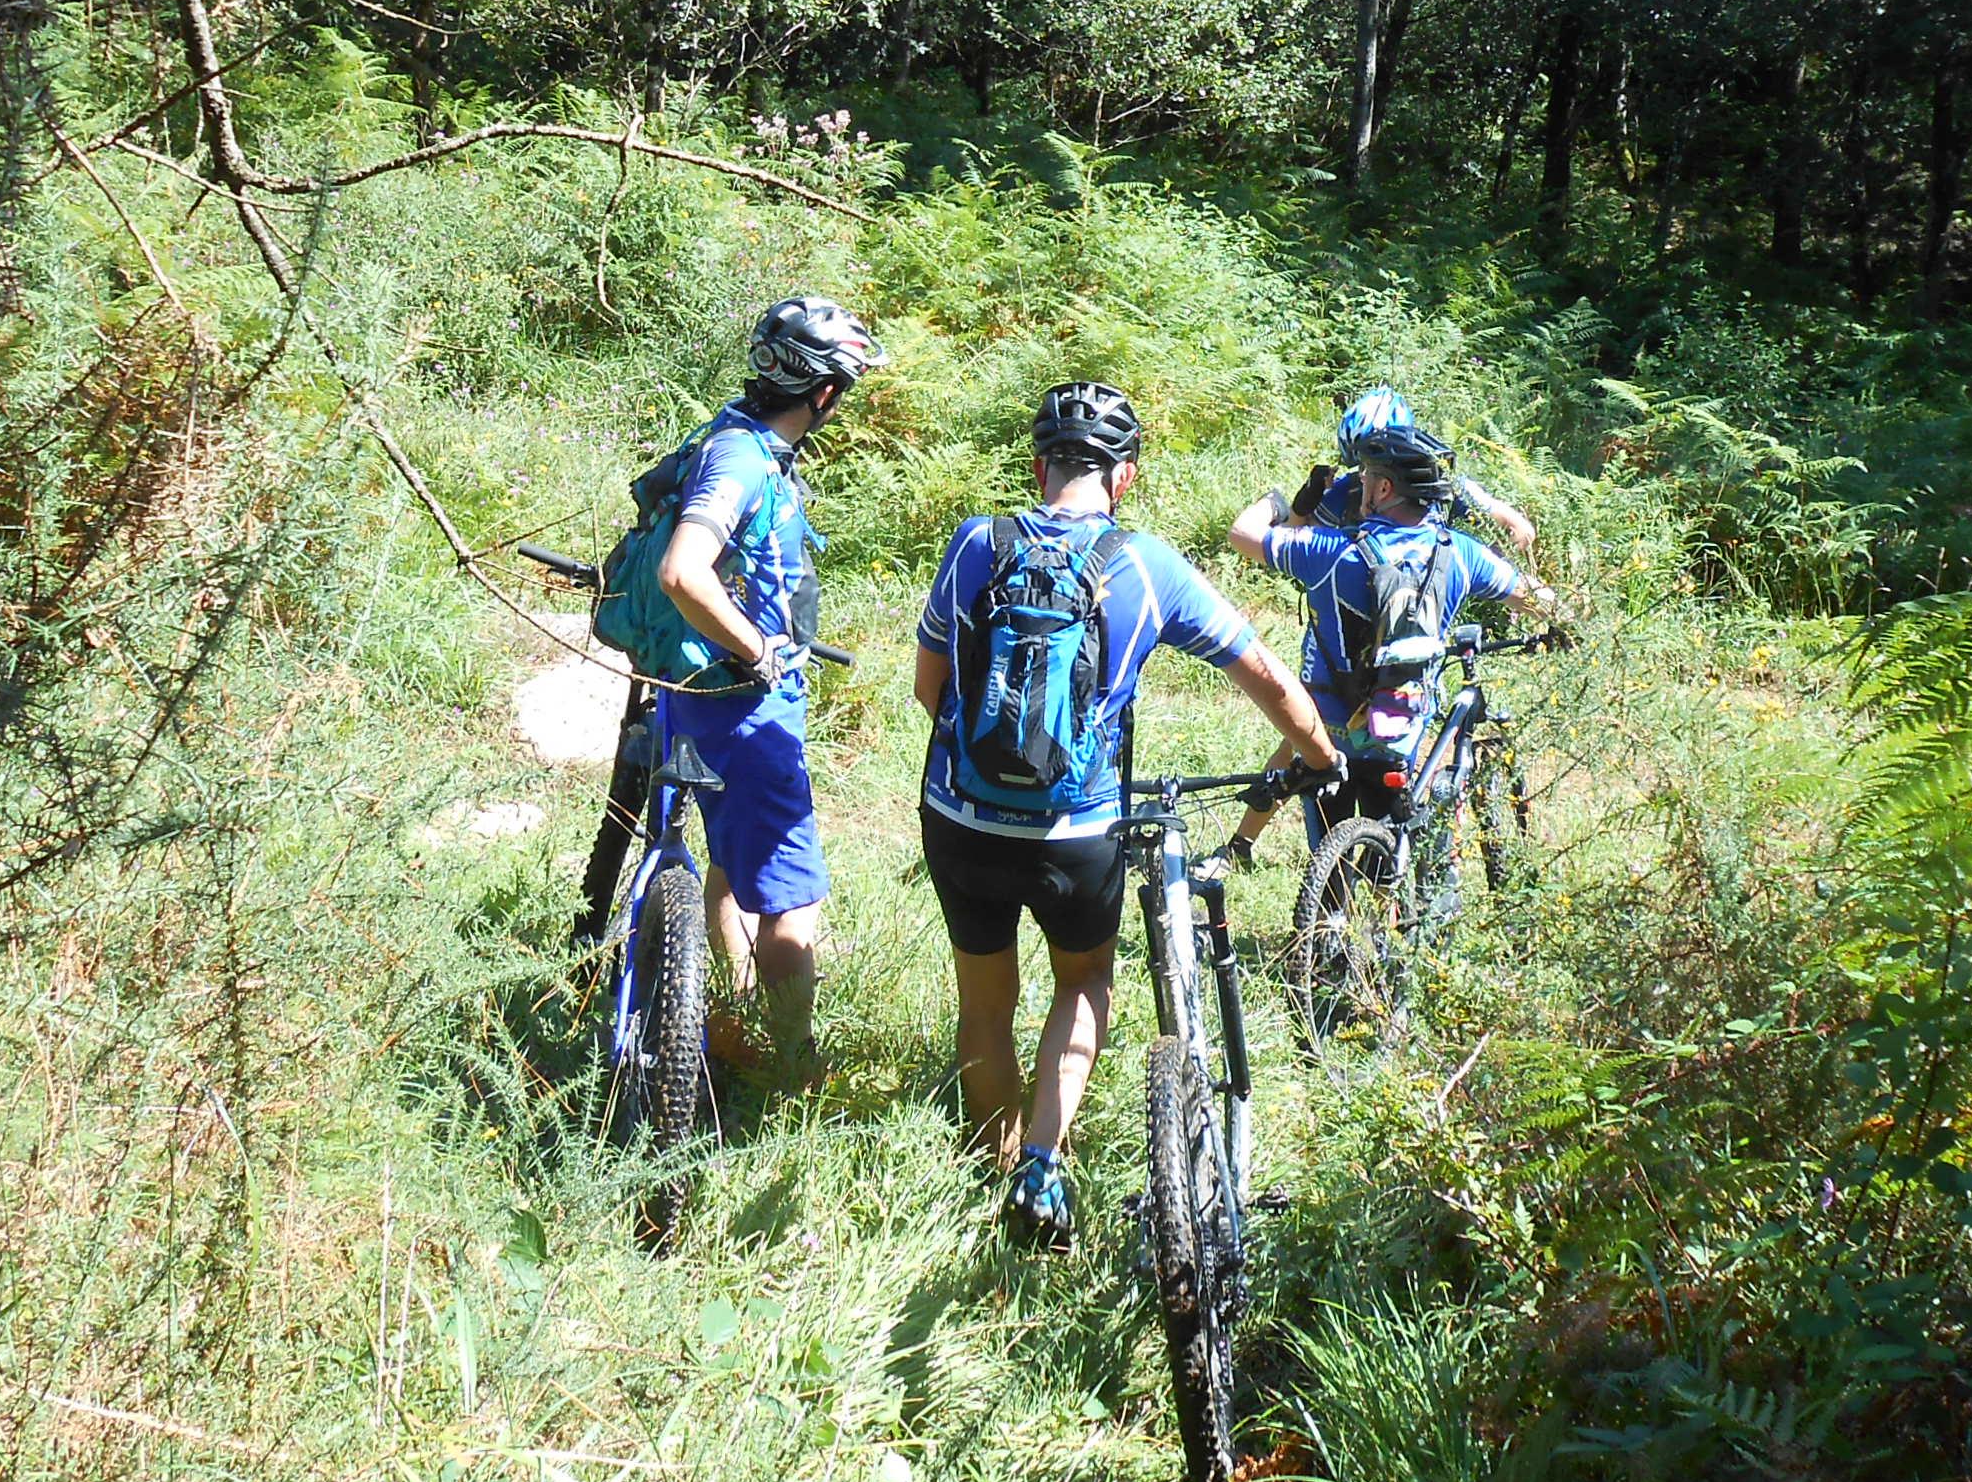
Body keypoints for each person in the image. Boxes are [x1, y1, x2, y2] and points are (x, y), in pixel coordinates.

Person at [913, 381, 1340, 1250]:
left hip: (961, 819)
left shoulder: (975, 543)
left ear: (1039, 467)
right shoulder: (1146, 565)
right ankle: (1041, 1166)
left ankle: (991, 1166)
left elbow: (930, 689)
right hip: (1077, 834)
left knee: (984, 1003)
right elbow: (1263, 671)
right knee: (1082, 982)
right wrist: (1322, 755)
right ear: (1126, 476)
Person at [652, 294, 881, 1084]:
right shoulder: (745, 460)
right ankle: (792, 1066)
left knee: (728, 855)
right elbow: (682, 571)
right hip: (742, 705)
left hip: (696, 689)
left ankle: (732, 1010)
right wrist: (756, 651)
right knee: (792, 900)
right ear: (824, 392)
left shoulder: (732, 434)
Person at [1219, 407, 1550, 871]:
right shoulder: (1462, 554)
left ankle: (1324, 897)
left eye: (1368, 475)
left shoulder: (1330, 552)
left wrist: (1275, 503)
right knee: (1390, 849)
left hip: (1326, 729)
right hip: (1400, 727)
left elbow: (1242, 535)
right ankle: (1390, 896)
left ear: (1385, 489)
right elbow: (1538, 598)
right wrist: (1572, 624)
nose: (1361, 482)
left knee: (1328, 852)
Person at [1293, 386, 1539, 558]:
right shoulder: (1349, 489)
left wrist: (1472, 574)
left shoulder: (1446, 486)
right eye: (1361, 465)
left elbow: (1521, 531)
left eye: (1372, 464)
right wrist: (1306, 500)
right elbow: (1293, 540)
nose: (1364, 476)